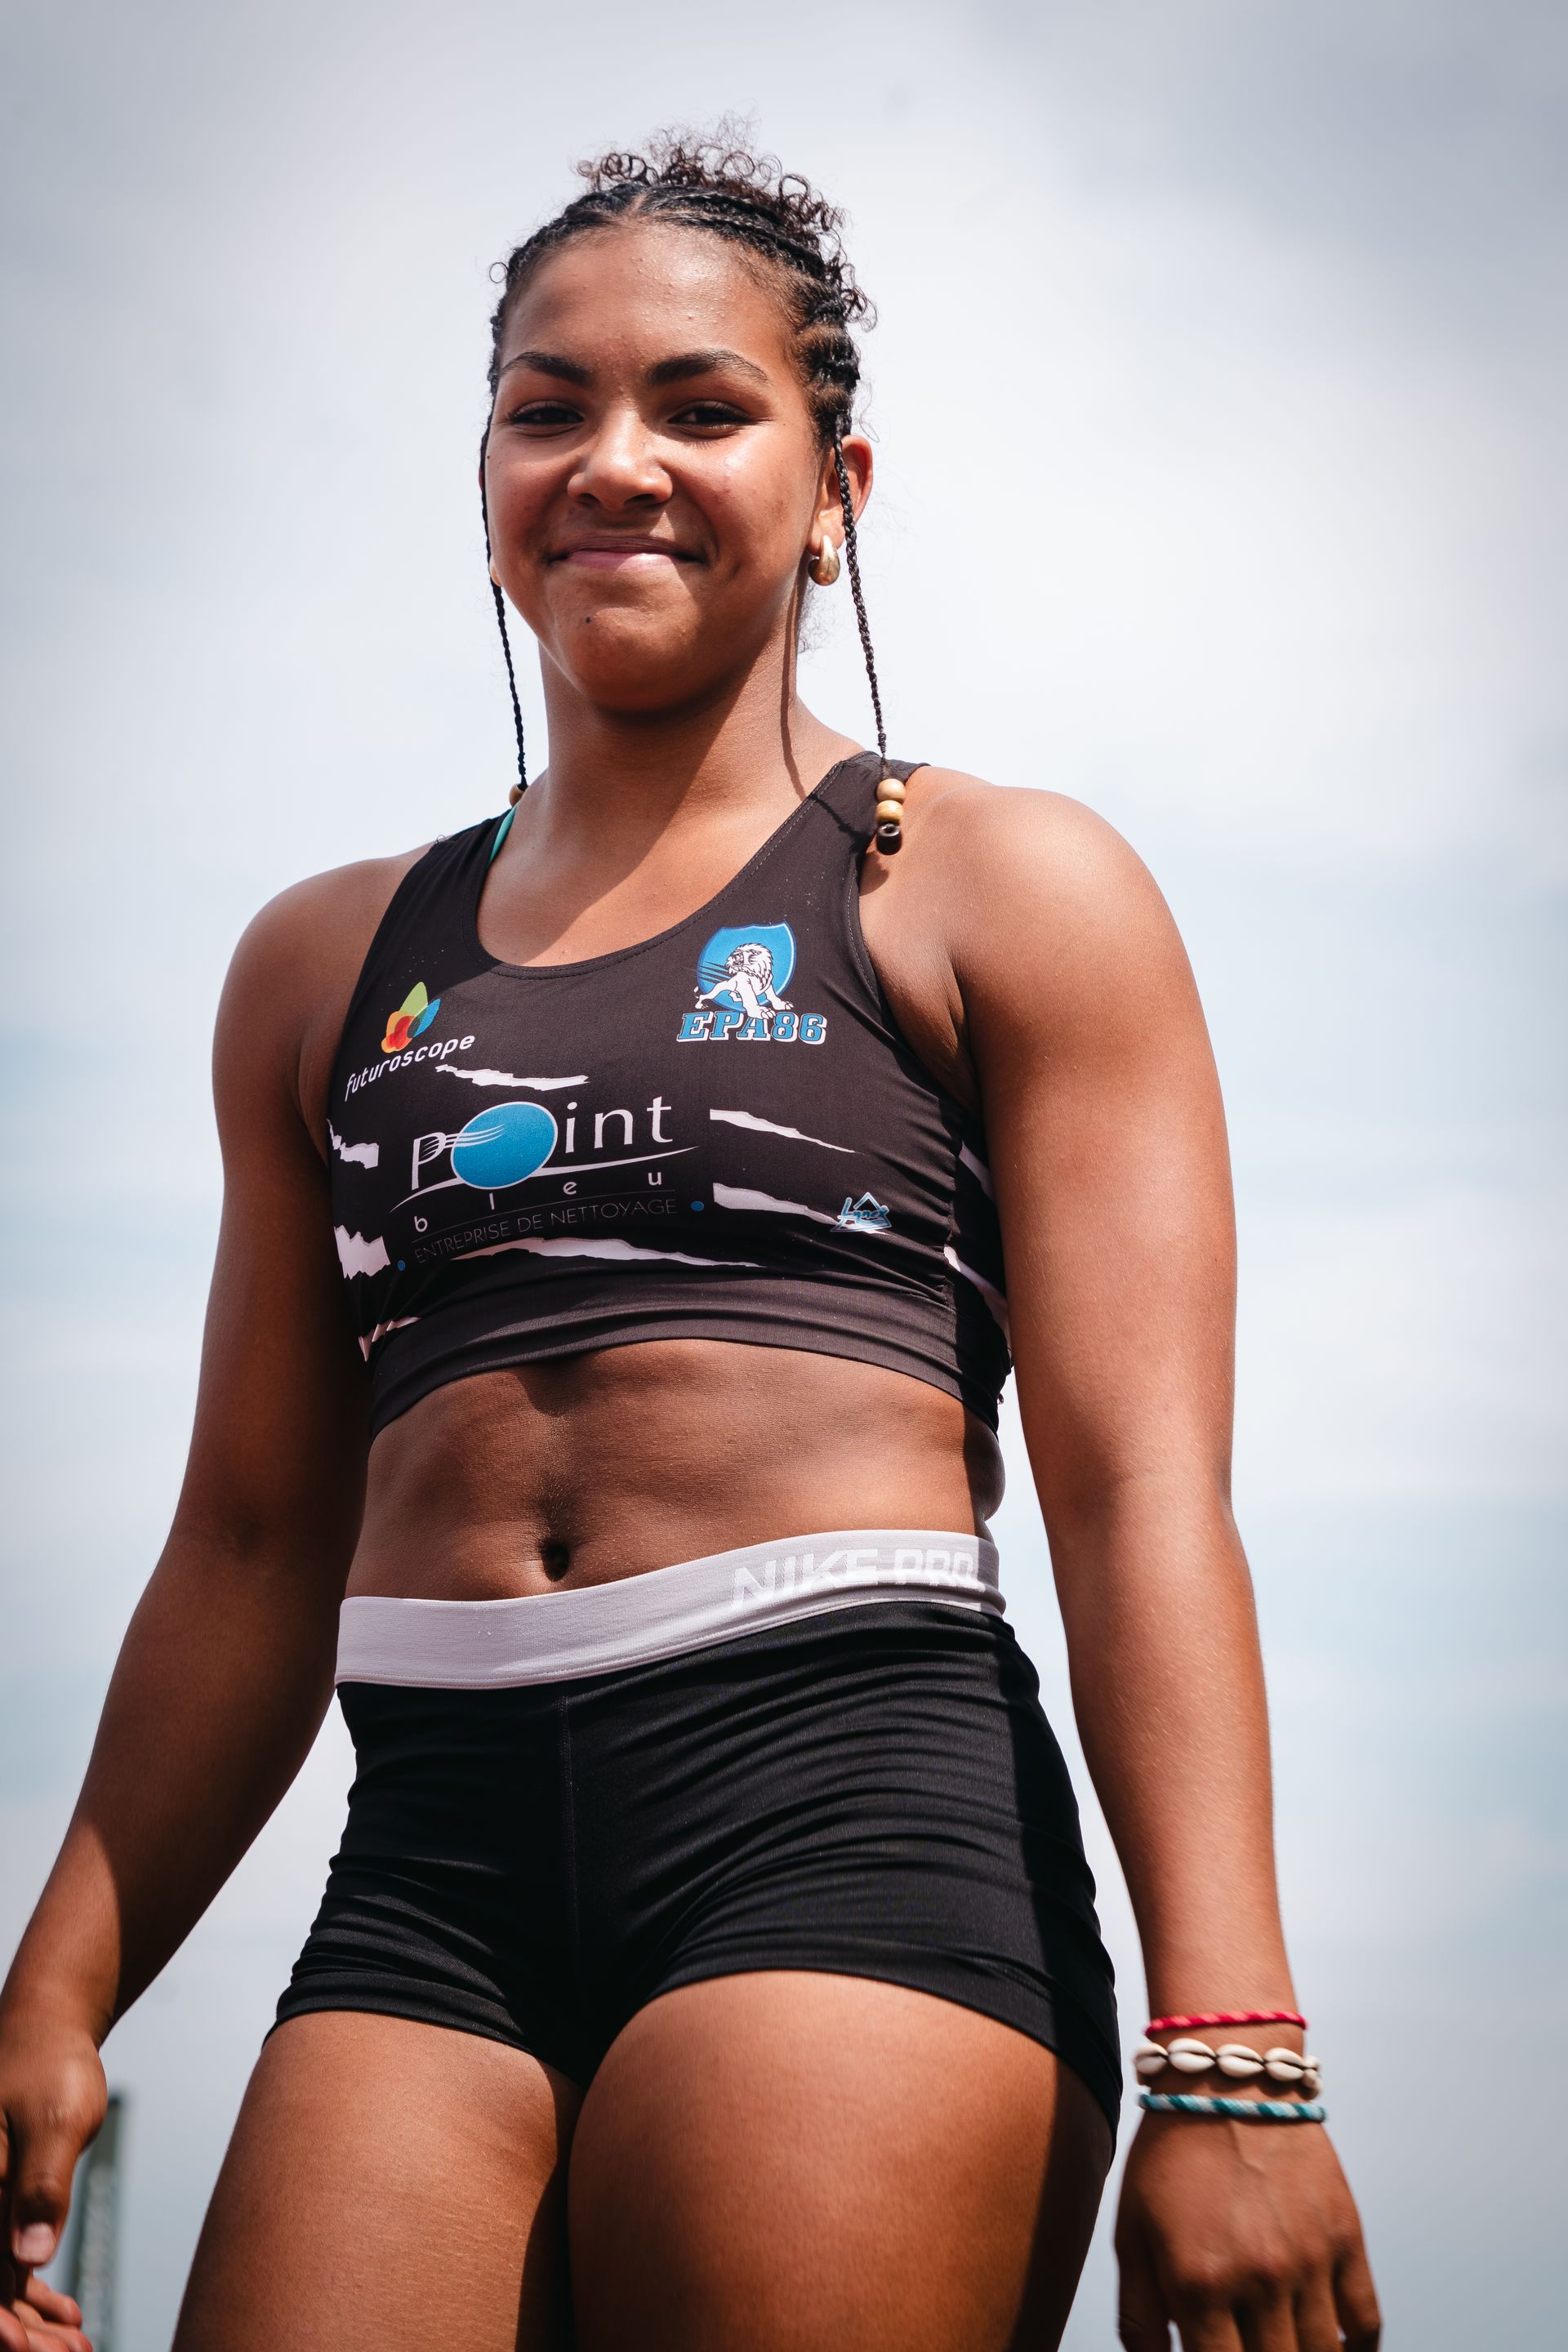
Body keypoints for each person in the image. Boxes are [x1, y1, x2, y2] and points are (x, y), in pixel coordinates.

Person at [0, 136, 1380, 2352]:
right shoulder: (326, 965)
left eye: (703, 407)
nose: (615, 462)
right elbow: (254, 1540)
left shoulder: (992, 888)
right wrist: (54, 2000)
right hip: (427, 1870)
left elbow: (1140, 1496)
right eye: (547, 409)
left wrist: (1237, 2059)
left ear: (837, 489)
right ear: (486, 478)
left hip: (847, 1817)